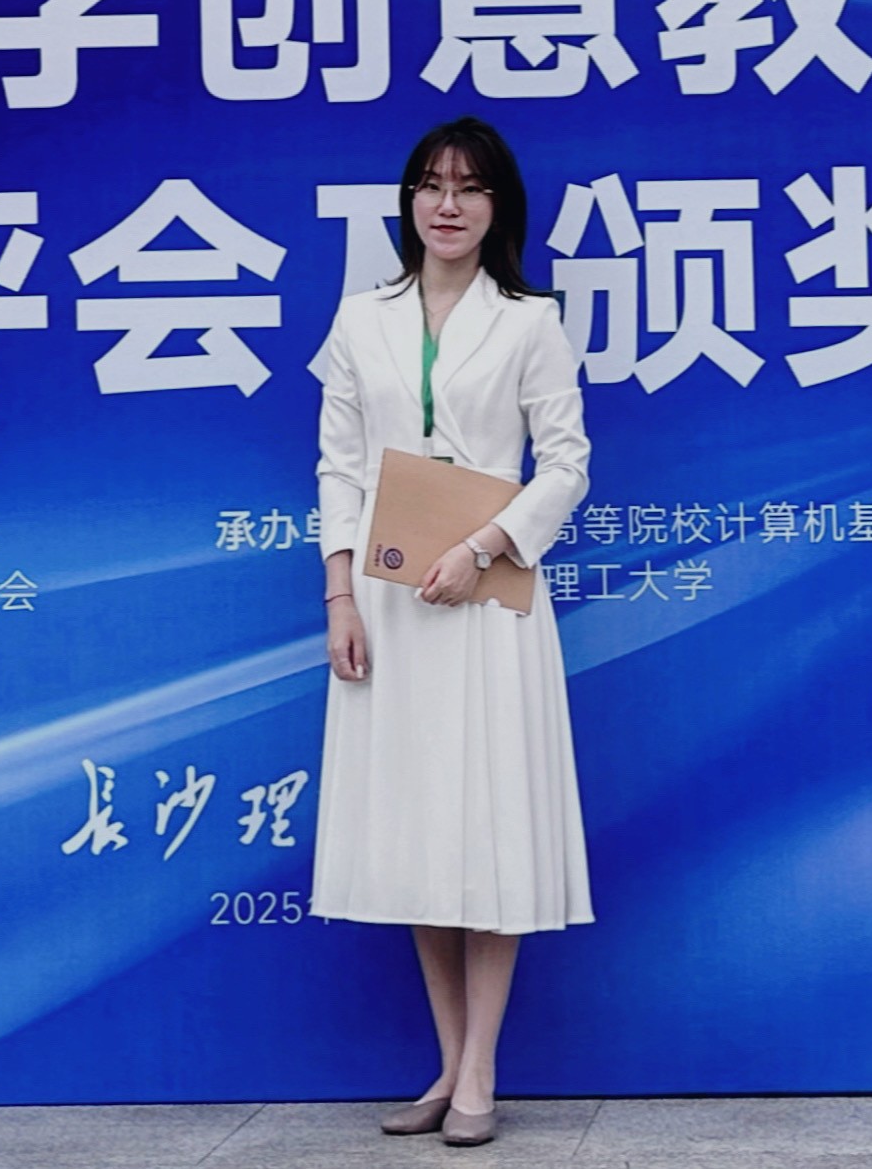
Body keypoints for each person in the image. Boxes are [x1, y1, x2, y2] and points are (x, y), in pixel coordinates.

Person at [310, 116, 592, 1148]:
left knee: (489, 826)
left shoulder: (527, 320)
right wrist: (340, 597)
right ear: (408, 201)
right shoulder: (361, 318)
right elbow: (339, 465)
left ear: (497, 207)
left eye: (469, 187)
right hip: (388, 602)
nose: (447, 203)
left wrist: (481, 546)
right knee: (419, 834)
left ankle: (481, 1069)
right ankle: (444, 1058)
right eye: (431, 184)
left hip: (487, 594)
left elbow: (565, 463)